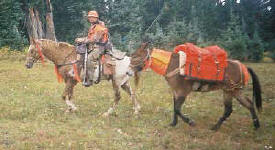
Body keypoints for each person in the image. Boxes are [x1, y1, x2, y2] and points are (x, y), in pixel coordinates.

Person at [75, 10, 112, 87]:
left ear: (96, 18)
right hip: (94, 46)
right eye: (89, 17)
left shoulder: (100, 27)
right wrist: (81, 39)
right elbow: (89, 37)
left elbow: (94, 39)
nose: (91, 19)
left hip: (101, 47)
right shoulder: (92, 27)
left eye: (93, 17)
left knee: (89, 59)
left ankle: (90, 80)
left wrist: (82, 40)